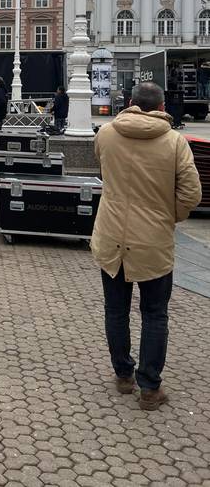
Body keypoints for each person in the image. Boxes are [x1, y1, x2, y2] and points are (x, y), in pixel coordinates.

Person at [91, 82, 201, 410]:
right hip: (153, 240)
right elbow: (191, 193)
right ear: (163, 106)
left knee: (116, 309)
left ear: (130, 103)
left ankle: (123, 375)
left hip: (112, 237)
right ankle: (149, 388)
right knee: (155, 313)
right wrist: (170, 216)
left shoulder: (107, 134)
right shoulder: (174, 142)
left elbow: (103, 169)